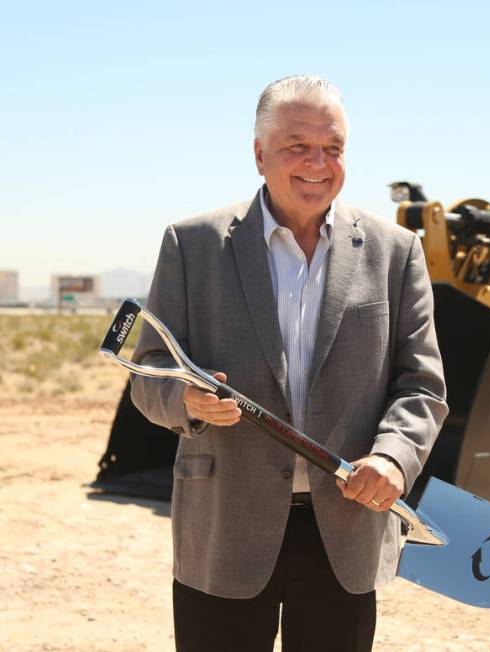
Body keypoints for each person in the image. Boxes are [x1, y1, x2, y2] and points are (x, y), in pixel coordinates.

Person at [130, 75, 448, 652]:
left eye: (333, 148)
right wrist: (187, 403)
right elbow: (149, 370)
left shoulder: (395, 252)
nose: (317, 163)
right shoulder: (191, 244)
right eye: (297, 145)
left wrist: (394, 458)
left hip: (344, 534)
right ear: (259, 154)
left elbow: (421, 383)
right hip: (225, 528)